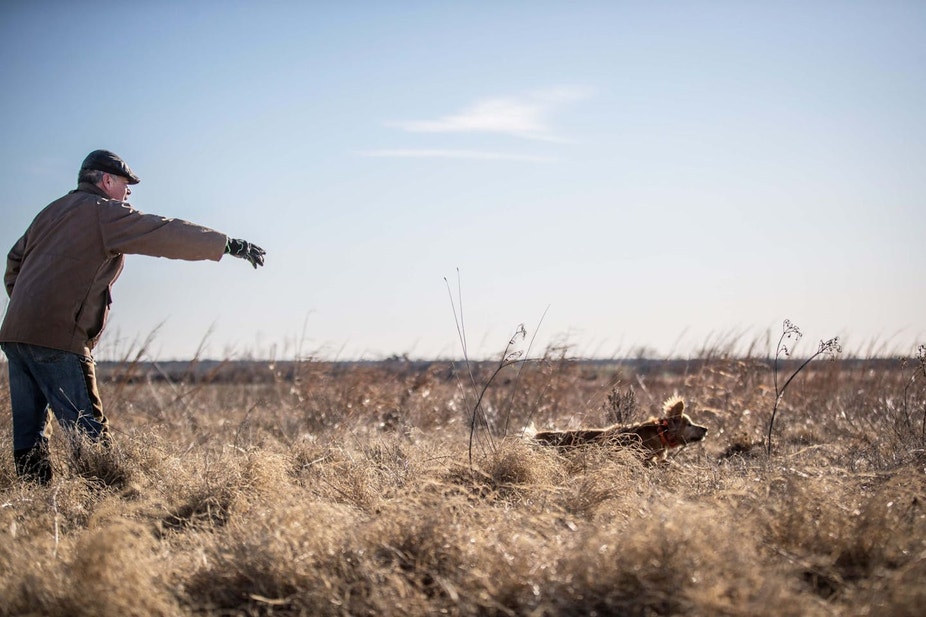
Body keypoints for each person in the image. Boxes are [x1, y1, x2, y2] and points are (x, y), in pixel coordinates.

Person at [1, 149, 266, 485]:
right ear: (106, 180)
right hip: (58, 337)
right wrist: (228, 245)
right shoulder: (103, 212)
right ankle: (106, 502)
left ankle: (33, 498)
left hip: (16, 334)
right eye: (125, 184)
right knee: (87, 429)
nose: (128, 192)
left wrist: (28, 308)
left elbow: (14, 260)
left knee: (29, 431)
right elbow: (162, 232)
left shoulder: (50, 212)